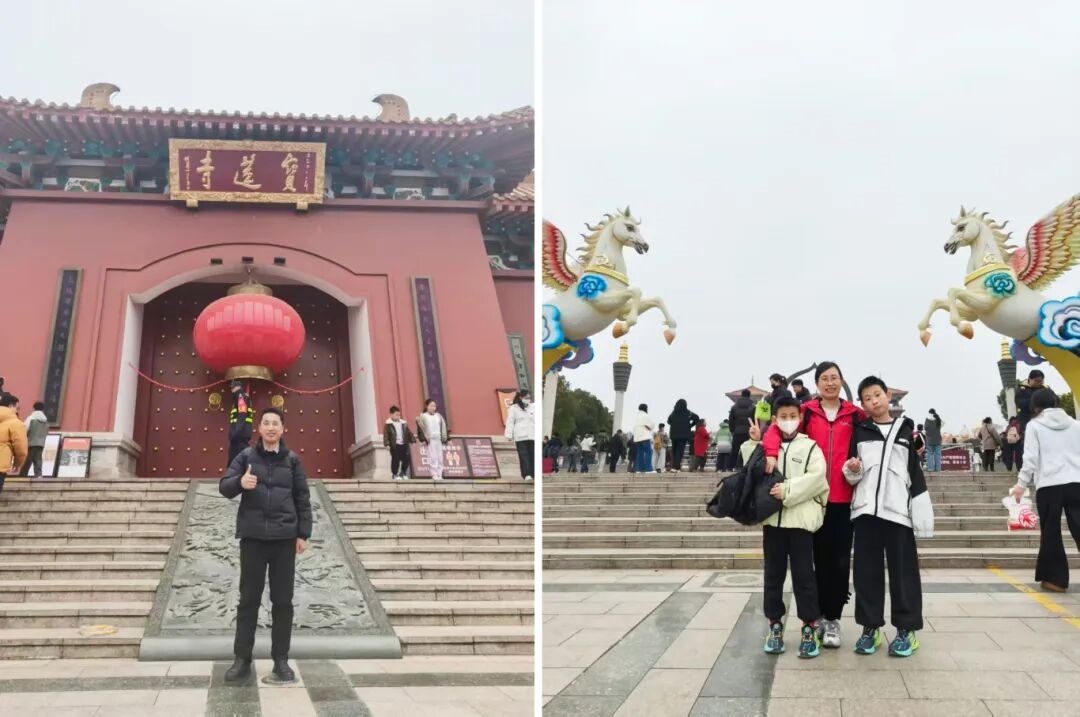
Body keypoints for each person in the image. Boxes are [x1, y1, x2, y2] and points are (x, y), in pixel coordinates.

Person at [755, 361, 866, 649]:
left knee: (837, 563)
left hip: (841, 498)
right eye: (824, 378)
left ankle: (832, 618)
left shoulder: (855, 415)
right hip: (808, 501)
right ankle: (812, 618)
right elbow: (775, 430)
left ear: (842, 381)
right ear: (816, 384)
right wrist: (769, 451)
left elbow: (873, 434)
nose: (830, 383)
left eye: (834, 378)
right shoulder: (805, 412)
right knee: (807, 565)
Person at [219, 407, 312, 684]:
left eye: (276, 423)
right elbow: (224, 487)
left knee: (282, 602)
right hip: (253, 538)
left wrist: (303, 534)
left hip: (284, 540)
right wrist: (240, 482)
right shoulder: (245, 456)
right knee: (248, 600)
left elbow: (302, 498)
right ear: (259, 428)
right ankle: (242, 660)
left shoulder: (293, 461)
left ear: (283, 429)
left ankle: (281, 661)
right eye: (267, 423)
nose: (271, 427)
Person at [843, 376, 933, 658]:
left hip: (898, 513)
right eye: (867, 398)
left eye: (877, 394)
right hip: (866, 513)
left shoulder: (906, 430)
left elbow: (914, 473)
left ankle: (907, 630)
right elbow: (852, 474)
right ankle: (869, 628)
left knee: (903, 573)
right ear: (862, 404)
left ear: (887, 395)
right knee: (866, 573)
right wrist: (853, 469)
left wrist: (921, 510)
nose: (874, 401)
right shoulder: (860, 432)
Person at [760, 397, 829, 658]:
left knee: (804, 577)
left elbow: (817, 479)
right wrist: (753, 443)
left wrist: (787, 490)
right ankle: (774, 625)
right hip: (773, 523)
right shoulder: (767, 447)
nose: (788, 421)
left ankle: (809, 626)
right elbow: (753, 474)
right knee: (773, 576)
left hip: (800, 523)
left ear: (800, 418)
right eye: (783, 416)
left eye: (793, 416)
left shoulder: (810, 447)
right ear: (775, 419)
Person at [1011, 389, 1080, 592]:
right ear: (1056, 402)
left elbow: (1030, 458)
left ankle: (1055, 580)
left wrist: (1021, 484)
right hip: (1077, 483)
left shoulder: (1035, 426)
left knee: (1051, 532)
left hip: (1049, 486)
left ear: (1034, 407)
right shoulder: (1076, 425)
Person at [504, 390, 535, 482]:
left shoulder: (533, 407)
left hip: (532, 435)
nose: (528, 399)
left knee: (533, 455)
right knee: (523, 455)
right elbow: (510, 422)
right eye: (526, 397)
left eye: (529, 397)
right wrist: (509, 435)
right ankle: (527, 474)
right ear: (521, 397)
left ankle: (534, 473)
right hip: (520, 436)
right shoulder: (514, 408)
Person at [416, 399, 449, 480]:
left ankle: (440, 474)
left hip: (438, 439)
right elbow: (420, 429)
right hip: (430, 440)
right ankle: (434, 474)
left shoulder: (438, 416)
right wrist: (423, 439)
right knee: (432, 457)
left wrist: (445, 438)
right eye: (431, 406)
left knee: (440, 458)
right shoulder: (423, 416)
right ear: (426, 406)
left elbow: (443, 427)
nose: (433, 408)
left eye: (434, 406)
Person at [0, 395, 28, 491]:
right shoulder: (15, 423)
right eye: (17, 408)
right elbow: (21, 448)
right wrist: (17, 464)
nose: (17, 411)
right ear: (10, 406)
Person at [667, 399, 700, 473]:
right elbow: (697, 418)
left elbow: (668, 421)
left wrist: (675, 424)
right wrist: (690, 425)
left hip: (674, 434)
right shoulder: (688, 412)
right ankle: (676, 467)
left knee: (674, 450)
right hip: (683, 435)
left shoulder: (674, 412)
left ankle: (675, 467)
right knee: (680, 450)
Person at [227, 380, 255, 469]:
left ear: (237, 387)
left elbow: (242, 413)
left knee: (238, 455)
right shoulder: (240, 397)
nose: (231, 390)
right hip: (241, 433)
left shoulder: (241, 397)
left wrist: (237, 431)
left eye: (233, 388)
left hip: (239, 433)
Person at [18, 402, 49, 477]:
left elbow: (24, 429)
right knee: (38, 460)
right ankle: (38, 475)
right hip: (41, 443)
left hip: (30, 442)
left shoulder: (31, 418)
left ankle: (22, 476)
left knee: (27, 460)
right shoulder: (45, 421)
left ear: (34, 408)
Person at [729, 390, 756, 465]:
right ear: (749, 396)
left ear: (741, 395)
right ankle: (746, 465)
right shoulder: (753, 407)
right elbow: (755, 420)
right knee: (748, 450)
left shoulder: (734, 407)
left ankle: (732, 466)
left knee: (735, 450)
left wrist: (732, 430)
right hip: (749, 432)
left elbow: (731, 420)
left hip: (737, 431)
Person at [632, 404, 654, 474]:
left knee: (640, 453)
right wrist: (648, 428)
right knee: (648, 452)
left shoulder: (636, 417)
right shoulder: (645, 416)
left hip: (637, 437)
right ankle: (648, 469)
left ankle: (639, 469)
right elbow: (651, 425)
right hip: (645, 436)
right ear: (645, 408)